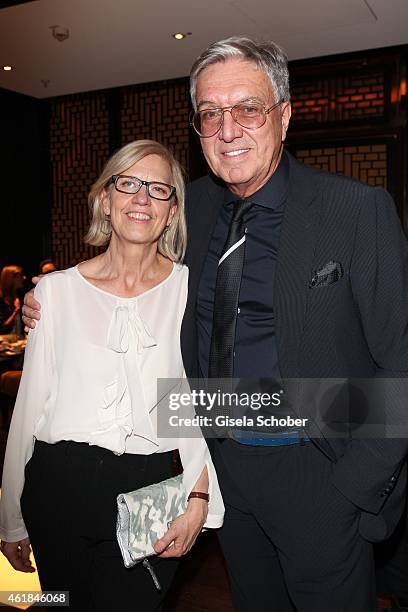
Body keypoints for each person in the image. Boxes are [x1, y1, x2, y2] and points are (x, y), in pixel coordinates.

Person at [22, 36, 408, 612]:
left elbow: (400, 361)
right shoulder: (191, 210)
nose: (228, 129)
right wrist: (49, 298)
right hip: (222, 469)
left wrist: (351, 488)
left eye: (247, 109)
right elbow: (131, 276)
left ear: (283, 115)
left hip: (318, 470)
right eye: (210, 114)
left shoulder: (355, 210)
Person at [0, 139, 224, 612]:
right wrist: (10, 518)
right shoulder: (56, 293)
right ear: (106, 198)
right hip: (59, 485)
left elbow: (193, 403)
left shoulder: (192, 291)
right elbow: (29, 408)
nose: (142, 197)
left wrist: (199, 497)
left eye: (158, 189)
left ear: (172, 211)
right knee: (60, 604)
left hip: (153, 485)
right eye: (129, 183)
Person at [0, 265, 25, 334]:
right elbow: (2, 328)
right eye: (21, 276)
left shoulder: (20, 296)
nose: (24, 278)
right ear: (12, 278)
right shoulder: (1, 300)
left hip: (18, 342)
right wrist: (16, 310)